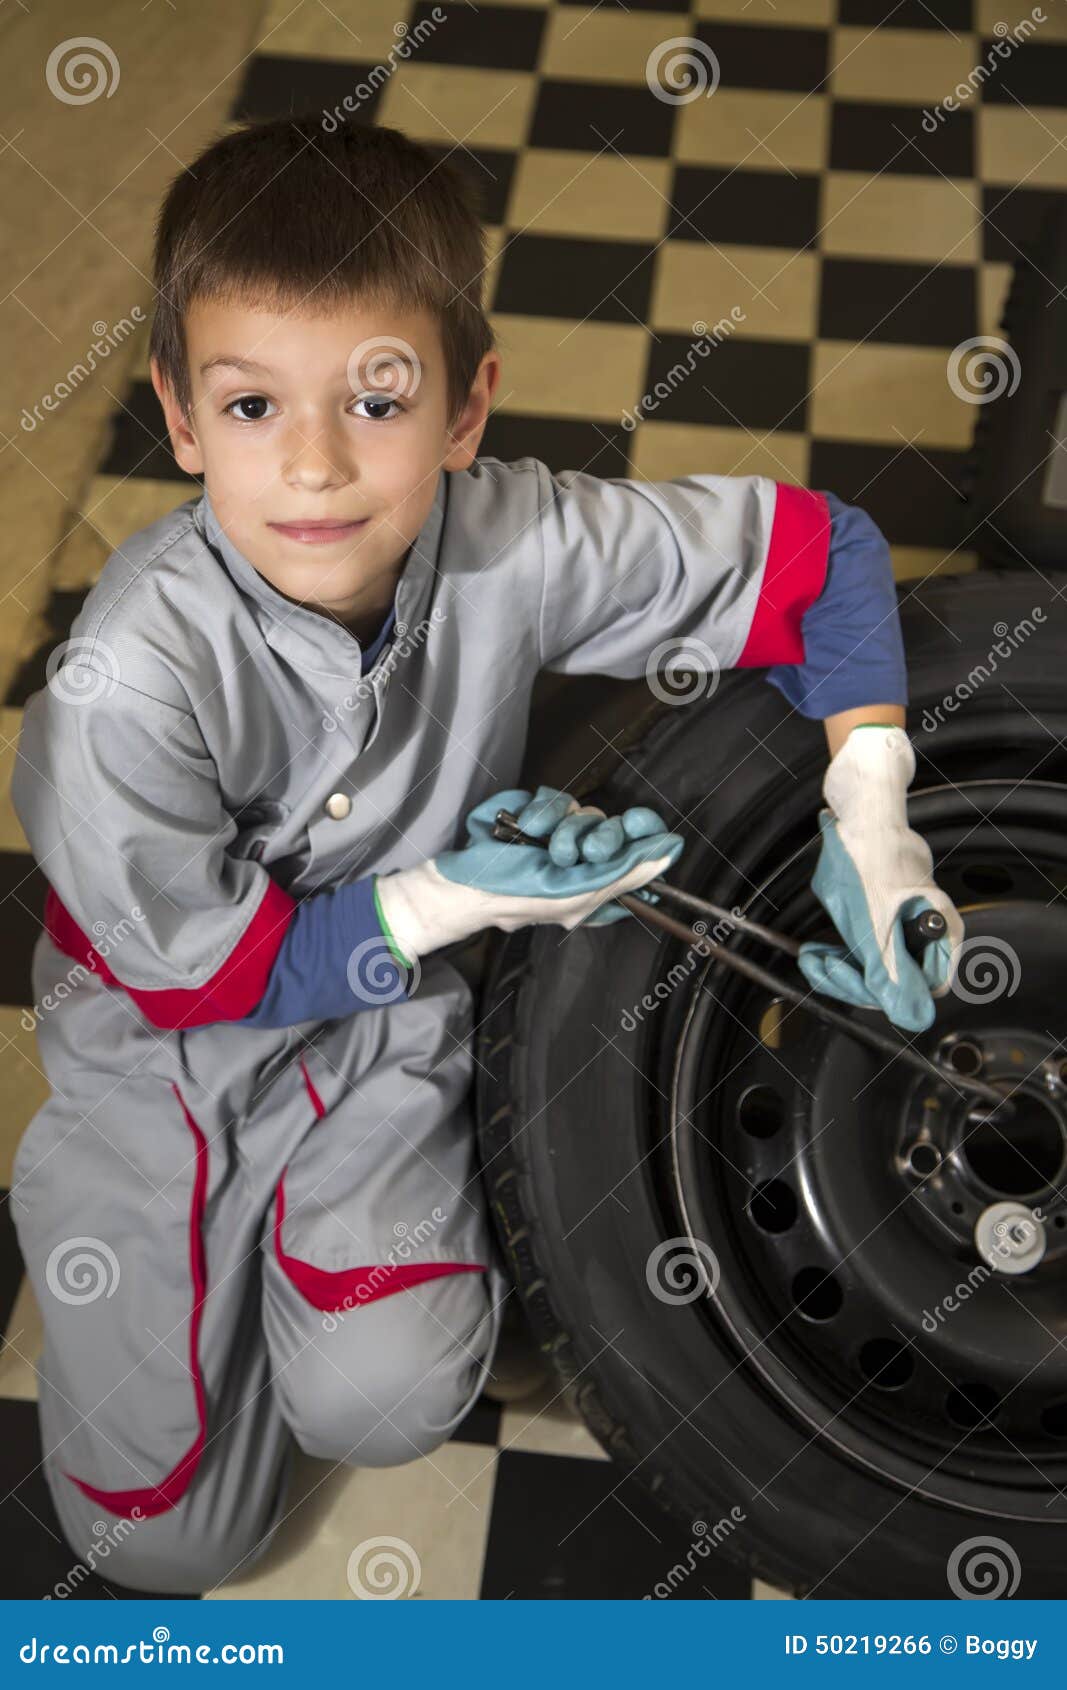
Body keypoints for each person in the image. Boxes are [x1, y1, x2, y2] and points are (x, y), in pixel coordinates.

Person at [8, 113, 963, 1595]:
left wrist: (875, 815)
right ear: (181, 420)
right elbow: (209, 981)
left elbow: (822, 558)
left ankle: (421, 1278)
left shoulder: (512, 535)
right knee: (156, 1537)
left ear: (466, 409)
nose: (316, 466)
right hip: (163, 1046)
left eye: (378, 399)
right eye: (253, 406)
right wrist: (452, 892)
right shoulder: (122, 685)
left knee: (392, 1393)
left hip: (391, 1020)